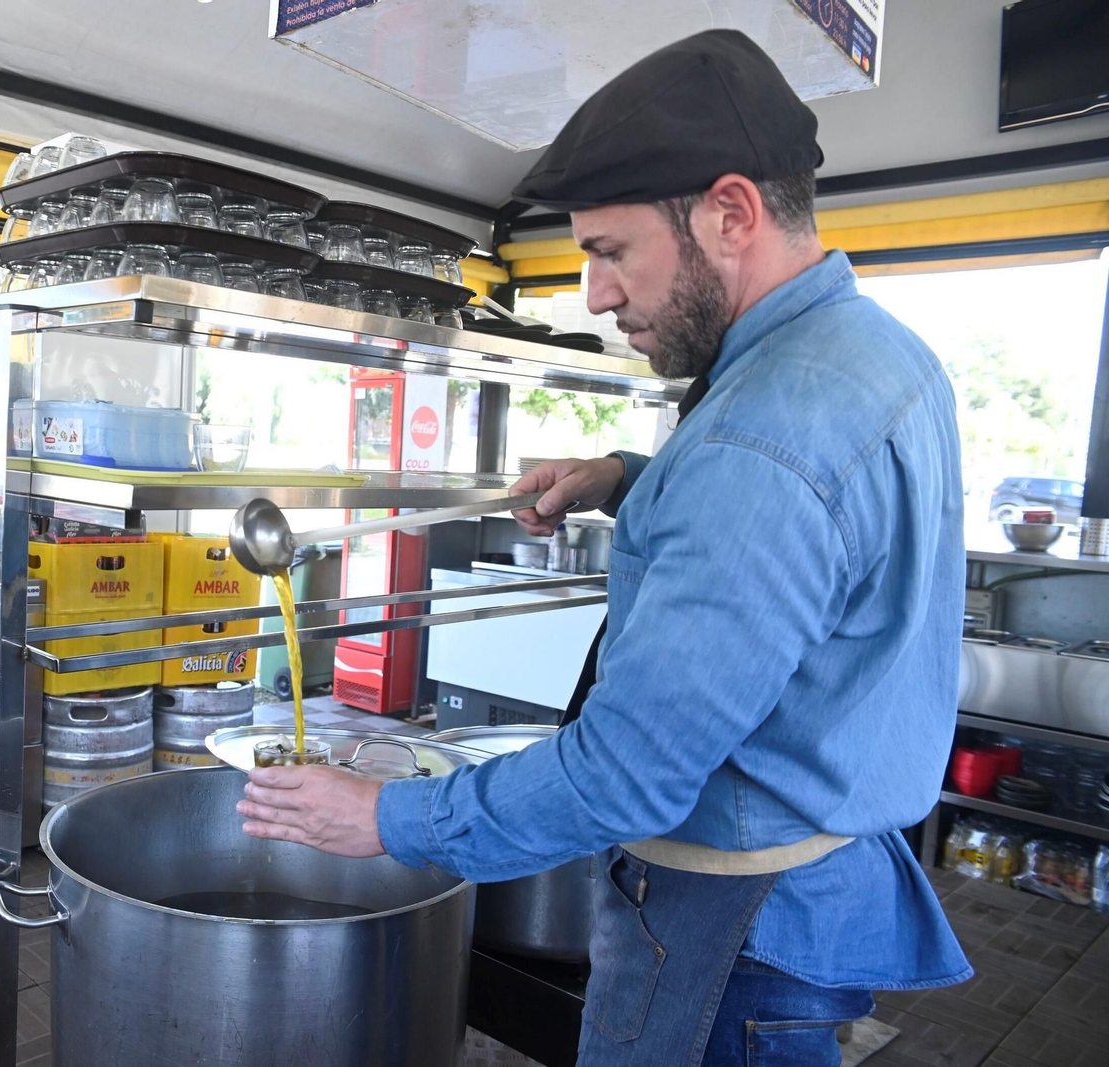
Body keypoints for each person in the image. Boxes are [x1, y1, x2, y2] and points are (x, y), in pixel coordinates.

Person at [235, 28, 971, 1067]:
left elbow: (626, 774)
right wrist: (632, 476)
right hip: (812, 894)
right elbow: (825, 538)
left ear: (729, 213)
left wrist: (387, 818)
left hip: (726, 931)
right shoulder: (881, 355)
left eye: (610, 251)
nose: (594, 294)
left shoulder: (755, 446)